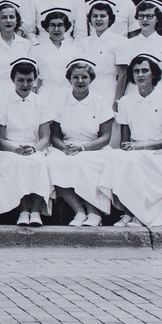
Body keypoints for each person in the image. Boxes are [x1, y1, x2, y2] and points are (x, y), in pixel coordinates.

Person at [97, 55, 162, 227]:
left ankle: (140, 215)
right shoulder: (126, 101)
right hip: (136, 152)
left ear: (154, 74)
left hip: (159, 155)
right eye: (136, 71)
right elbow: (125, 140)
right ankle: (128, 212)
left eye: (145, 70)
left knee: (133, 161)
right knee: (116, 157)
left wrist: (139, 147)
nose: (140, 75)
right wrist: (129, 147)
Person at [47, 58, 115, 227]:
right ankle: (79, 212)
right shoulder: (60, 101)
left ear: (91, 79)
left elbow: (105, 137)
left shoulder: (101, 102)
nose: (80, 81)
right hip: (66, 148)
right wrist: (65, 148)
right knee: (52, 162)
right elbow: (54, 136)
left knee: (83, 163)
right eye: (75, 77)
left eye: (84, 77)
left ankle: (94, 213)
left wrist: (83, 148)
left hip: (94, 149)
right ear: (69, 79)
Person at [0, 58, 54, 226]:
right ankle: (23, 211)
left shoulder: (42, 103)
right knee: (16, 163)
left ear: (35, 81)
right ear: (13, 80)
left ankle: (35, 211)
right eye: (20, 80)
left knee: (39, 162)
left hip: (35, 147)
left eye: (29, 80)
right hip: (10, 149)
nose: (25, 84)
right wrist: (15, 150)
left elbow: (45, 137)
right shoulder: (2, 102)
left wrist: (34, 149)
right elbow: (0, 139)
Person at [124, 0, 162, 94]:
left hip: (159, 90)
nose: (145, 20)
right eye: (141, 16)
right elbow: (124, 74)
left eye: (149, 16)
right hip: (134, 91)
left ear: (157, 18)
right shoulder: (128, 43)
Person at [0, 1, 35, 104]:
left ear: (17, 20)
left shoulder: (26, 44)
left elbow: (31, 74)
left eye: (11, 17)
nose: (8, 21)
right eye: (4, 17)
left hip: (19, 91)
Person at [82, 0, 128, 104]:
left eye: (103, 16)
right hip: (87, 90)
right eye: (95, 16)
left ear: (110, 19)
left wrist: (117, 101)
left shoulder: (120, 41)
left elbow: (123, 74)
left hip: (109, 91)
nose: (98, 19)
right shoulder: (84, 42)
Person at [33, 8, 82, 103]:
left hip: (69, 93)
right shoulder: (37, 50)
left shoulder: (75, 51)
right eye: (52, 25)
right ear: (46, 28)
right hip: (46, 93)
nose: (56, 29)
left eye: (60, 25)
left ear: (66, 28)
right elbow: (34, 78)